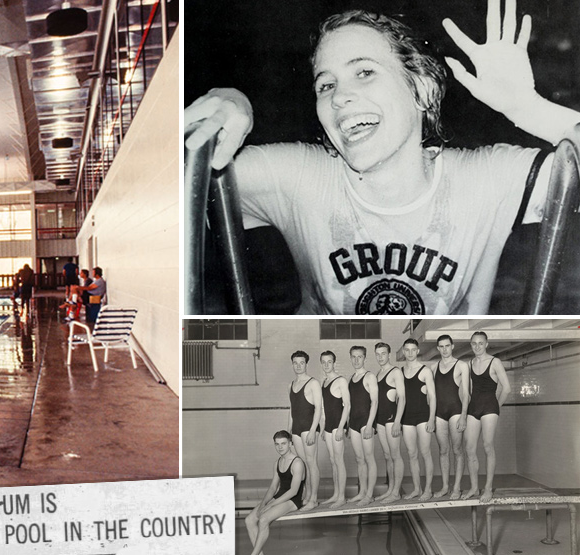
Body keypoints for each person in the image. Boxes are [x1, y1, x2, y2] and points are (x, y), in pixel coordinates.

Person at [184, 3, 580, 315]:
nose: (339, 96)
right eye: (326, 84)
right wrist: (229, 105)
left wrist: (529, 109)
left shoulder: (487, 180)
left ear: (422, 90)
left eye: (365, 72)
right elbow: (154, 200)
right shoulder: (296, 177)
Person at [465, 331, 509, 502]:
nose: (477, 347)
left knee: (487, 445)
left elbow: (506, 388)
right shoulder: (470, 363)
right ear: (471, 345)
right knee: (469, 448)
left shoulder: (494, 362)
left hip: (490, 407)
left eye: (480, 343)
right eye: (474, 343)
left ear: (486, 344)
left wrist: (496, 407)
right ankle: (475, 488)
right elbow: (467, 389)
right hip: (473, 407)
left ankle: (488, 488)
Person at [245, 430, 306, 555]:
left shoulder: (297, 463)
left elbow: (293, 491)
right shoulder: (277, 462)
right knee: (249, 520)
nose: (280, 447)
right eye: (277, 444)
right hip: (280, 496)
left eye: (283, 444)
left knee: (263, 519)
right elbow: (273, 488)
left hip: (292, 500)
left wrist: (271, 505)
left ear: (290, 444)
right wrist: (263, 504)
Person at [434, 334, 471, 499]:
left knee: (457, 449)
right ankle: (444, 486)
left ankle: (456, 488)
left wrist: (464, 416)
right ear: (437, 348)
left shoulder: (461, 365)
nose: (444, 349)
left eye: (447, 346)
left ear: (452, 346)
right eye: (441, 346)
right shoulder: (433, 368)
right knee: (443, 450)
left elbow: (466, 393)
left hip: (456, 411)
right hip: (439, 413)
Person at [400, 338, 437, 500]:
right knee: (411, 454)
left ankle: (427, 489)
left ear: (417, 351)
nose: (409, 353)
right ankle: (417, 489)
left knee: (425, 452)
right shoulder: (400, 371)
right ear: (403, 351)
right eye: (406, 350)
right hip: (406, 417)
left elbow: (433, 397)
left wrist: (431, 419)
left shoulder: (425, 371)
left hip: (423, 416)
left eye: (412, 350)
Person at [287, 350, 322, 510]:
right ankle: (307, 496)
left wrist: (314, 429)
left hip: (309, 427)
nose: (299, 366)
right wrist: (289, 431)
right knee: (303, 464)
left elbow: (319, 409)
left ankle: (314, 499)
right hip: (296, 428)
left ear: (306, 364)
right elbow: (291, 410)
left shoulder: (313, 383)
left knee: (311, 462)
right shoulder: (291, 385)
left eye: (302, 363)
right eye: (296, 363)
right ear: (292, 364)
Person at [347, 345, 379, 506]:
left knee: (369, 457)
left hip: (366, 422)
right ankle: (362, 492)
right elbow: (350, 405)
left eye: (359, 357)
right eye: (353, 356)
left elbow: (374, 402)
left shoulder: (370, 377)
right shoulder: (351, 379)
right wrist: (347, 425)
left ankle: (370, 494)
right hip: (353, 422)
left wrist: (369, 425)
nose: (356, 360)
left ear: (365, 358)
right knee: (359, 459)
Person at [374, 342, 406, 503]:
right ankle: (391, 489)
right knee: (387, 456)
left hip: (391, 418)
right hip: (380, 419)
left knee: (395, 455)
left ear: (389, 354)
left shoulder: (395, 372)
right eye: (377, 354)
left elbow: (402, 397)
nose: (380, 357)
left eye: (383, 354)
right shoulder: (378, 373)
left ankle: (396, 492)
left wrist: (398, 421)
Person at [319, 350, 350, 508]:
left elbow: (347, 406)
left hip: (338, 425)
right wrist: (323, 426)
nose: (326, 365)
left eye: (329, 361)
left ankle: (342, 497)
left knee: (339, 460)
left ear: (334, 362)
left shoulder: (341, 381)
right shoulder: (323, 382)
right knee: (332, 461)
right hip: (328, 426)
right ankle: (336, 494)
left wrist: (341, 428)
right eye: (323, 362)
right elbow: (324, 408)